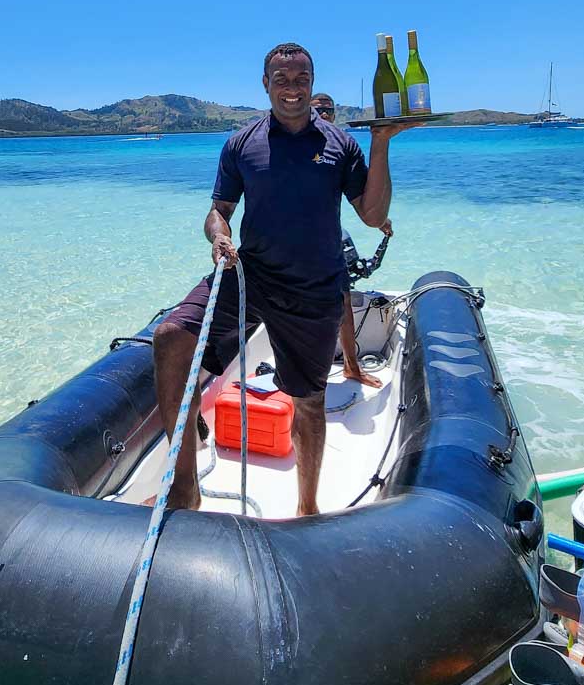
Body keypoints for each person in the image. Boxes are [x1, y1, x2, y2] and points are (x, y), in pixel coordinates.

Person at [152, 42, 415, 516]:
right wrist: (218, 236)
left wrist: (381, 144)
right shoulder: (241, 144)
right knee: (171, 337)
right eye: (282, 79)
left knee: (309, 402)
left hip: (313, 287)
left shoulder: (340, 145)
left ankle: (306, 507)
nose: (292, 89)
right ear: (265, 84)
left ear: (311, 83)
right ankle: (184, 488)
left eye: (301, 79)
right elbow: (218, 210)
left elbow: (374, 215)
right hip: (249, 274)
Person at [310, 92, 392, 389]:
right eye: (318, 110)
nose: (324, 115)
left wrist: (380, 220)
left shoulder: (340, 148)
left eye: (329, 110)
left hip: (328, 243)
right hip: (294, 247)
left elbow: (360, 197)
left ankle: (351, 366)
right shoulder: (296, 144)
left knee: (343, 304)